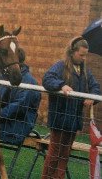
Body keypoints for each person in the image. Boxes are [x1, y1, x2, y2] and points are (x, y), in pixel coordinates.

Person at [41, 36, 101, 179]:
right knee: (54, 154)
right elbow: (47, 79)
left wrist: (92, 98)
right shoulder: (60, 66)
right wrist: (61, 85)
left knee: (65, 155)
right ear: (72, 52)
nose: (84, 58)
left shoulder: (85, 71)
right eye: (81, 55)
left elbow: (96, 87)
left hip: (74, 122)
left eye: (85, 55)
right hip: (59, 120)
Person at [0, 47, 41, 145]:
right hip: (4, 121)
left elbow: (20, 106)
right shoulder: (4, 77)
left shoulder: (29, 82)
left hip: (18, 126)